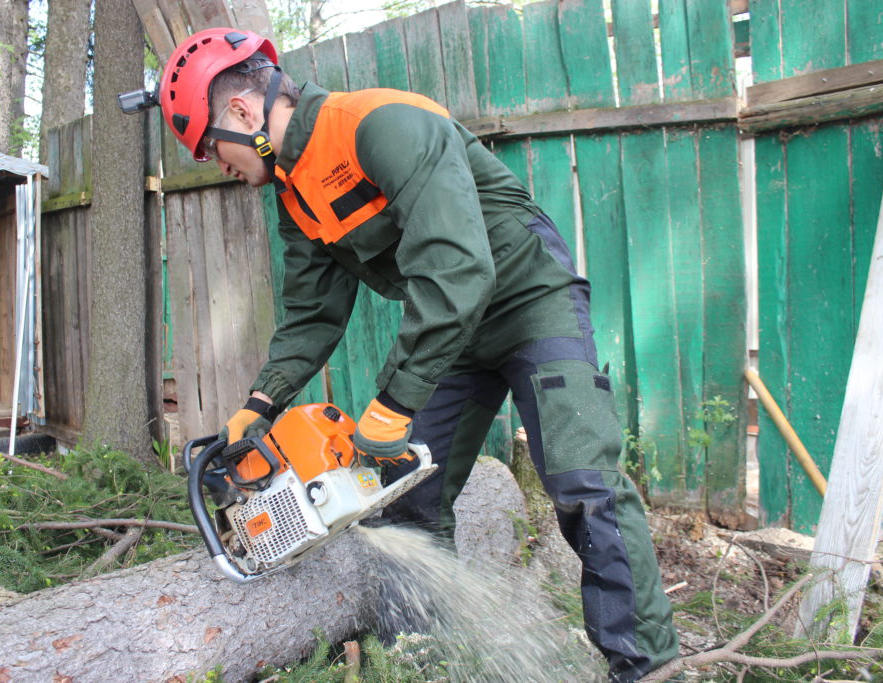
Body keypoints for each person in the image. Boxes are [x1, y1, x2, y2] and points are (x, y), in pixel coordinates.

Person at [146, 27, 679, 682]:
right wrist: (257, 407)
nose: (216, 165)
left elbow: (458, 269)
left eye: (210, 149)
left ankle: (648, 667)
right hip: (453, 330)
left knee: (582, 480)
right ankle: (427, 662)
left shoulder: (379, 124)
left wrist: (393, 402)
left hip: (528, 297)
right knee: (406, 501)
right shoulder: (294, 189)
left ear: (241, 112)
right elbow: (313, 313)